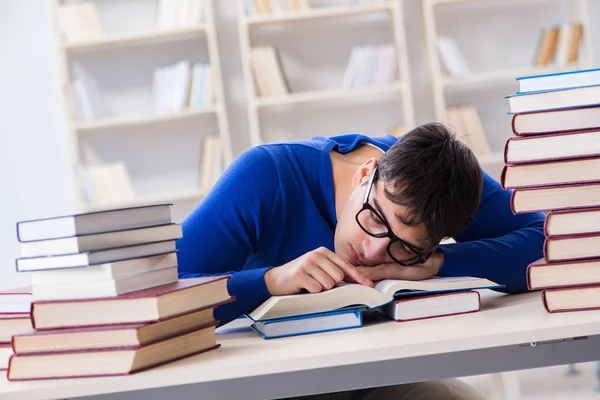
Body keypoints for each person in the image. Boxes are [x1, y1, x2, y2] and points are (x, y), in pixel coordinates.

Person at [176, 122, 545, 399]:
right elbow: (158, 297)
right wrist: (270, 281)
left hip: (376, 376)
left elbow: (547, 241)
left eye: (405, 247)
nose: (372, 251)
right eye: (375, 219)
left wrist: (439, 261)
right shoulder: (267, 175)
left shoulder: (442, 190)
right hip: (267, 382)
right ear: (366, 173)